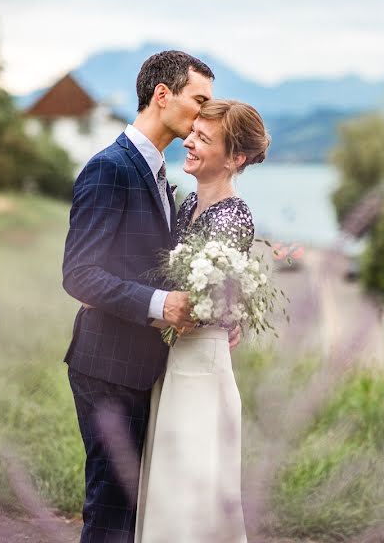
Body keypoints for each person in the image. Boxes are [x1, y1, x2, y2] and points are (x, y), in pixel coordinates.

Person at [62, 50, 216, 543]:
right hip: (106, 366)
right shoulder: (110, 168)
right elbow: (79, 274)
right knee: (109, 511)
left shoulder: (157, 175)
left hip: (138, 366)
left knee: (127, 511)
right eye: (200, 100)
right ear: (162, 95)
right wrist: (159, 305)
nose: (206, 113)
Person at [135, 99, 270, 543]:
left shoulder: (234, 216)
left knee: (192, 501)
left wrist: (121, 306)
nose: (189, 141)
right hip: (175, 364)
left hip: (201, 369)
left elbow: (200, 303)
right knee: (168, 492)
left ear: (236, 158)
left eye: (203, 139)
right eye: (193, 132)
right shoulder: (189, 201)